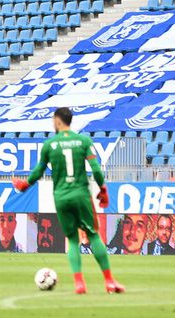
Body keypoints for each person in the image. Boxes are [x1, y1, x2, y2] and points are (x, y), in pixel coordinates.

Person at [13, 106, 124, 294]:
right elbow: (96, 169)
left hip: (61, 197)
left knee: (73, 240)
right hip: (81, 194)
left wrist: (25, 184)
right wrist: (103, 189)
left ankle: (79, 283)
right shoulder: (83, 141)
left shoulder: (50, 145)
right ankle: (109, 281)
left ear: (57, 121)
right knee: (93, 235)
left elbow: (39, 171)